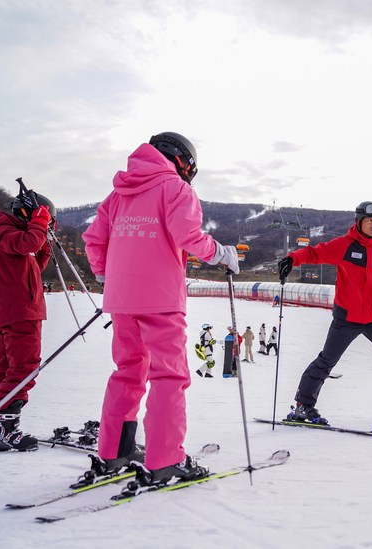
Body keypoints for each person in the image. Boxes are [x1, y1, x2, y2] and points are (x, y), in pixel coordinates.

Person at [82, 131, 241, 484]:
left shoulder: (117, 195)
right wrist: (222, 254)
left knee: (127, 372)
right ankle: (166, 460)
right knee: (168, 376)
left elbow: (94, 240)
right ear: (184, 163)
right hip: (160, 298)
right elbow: (188, 236)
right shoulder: (175, 189)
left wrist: (107, 277)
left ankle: (115, 452)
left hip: (122, 300)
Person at [276, 201, 372, 424]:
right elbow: (314, 253)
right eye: (370, 220)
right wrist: (292, 259)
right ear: (359, 222)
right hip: (347, 318)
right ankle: (303, 406)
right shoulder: (344, 246)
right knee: (326, 361)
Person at [0, 190, 55, 452]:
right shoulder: (4, 228)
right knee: (24, 369)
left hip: (13, 310)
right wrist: (39, 223)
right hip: (21, 312)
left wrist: (43, 243)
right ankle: (6, 428)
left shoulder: (10, 232)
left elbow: (30, 266)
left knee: (5, 370)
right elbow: (27, 245)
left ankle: (2, 426)